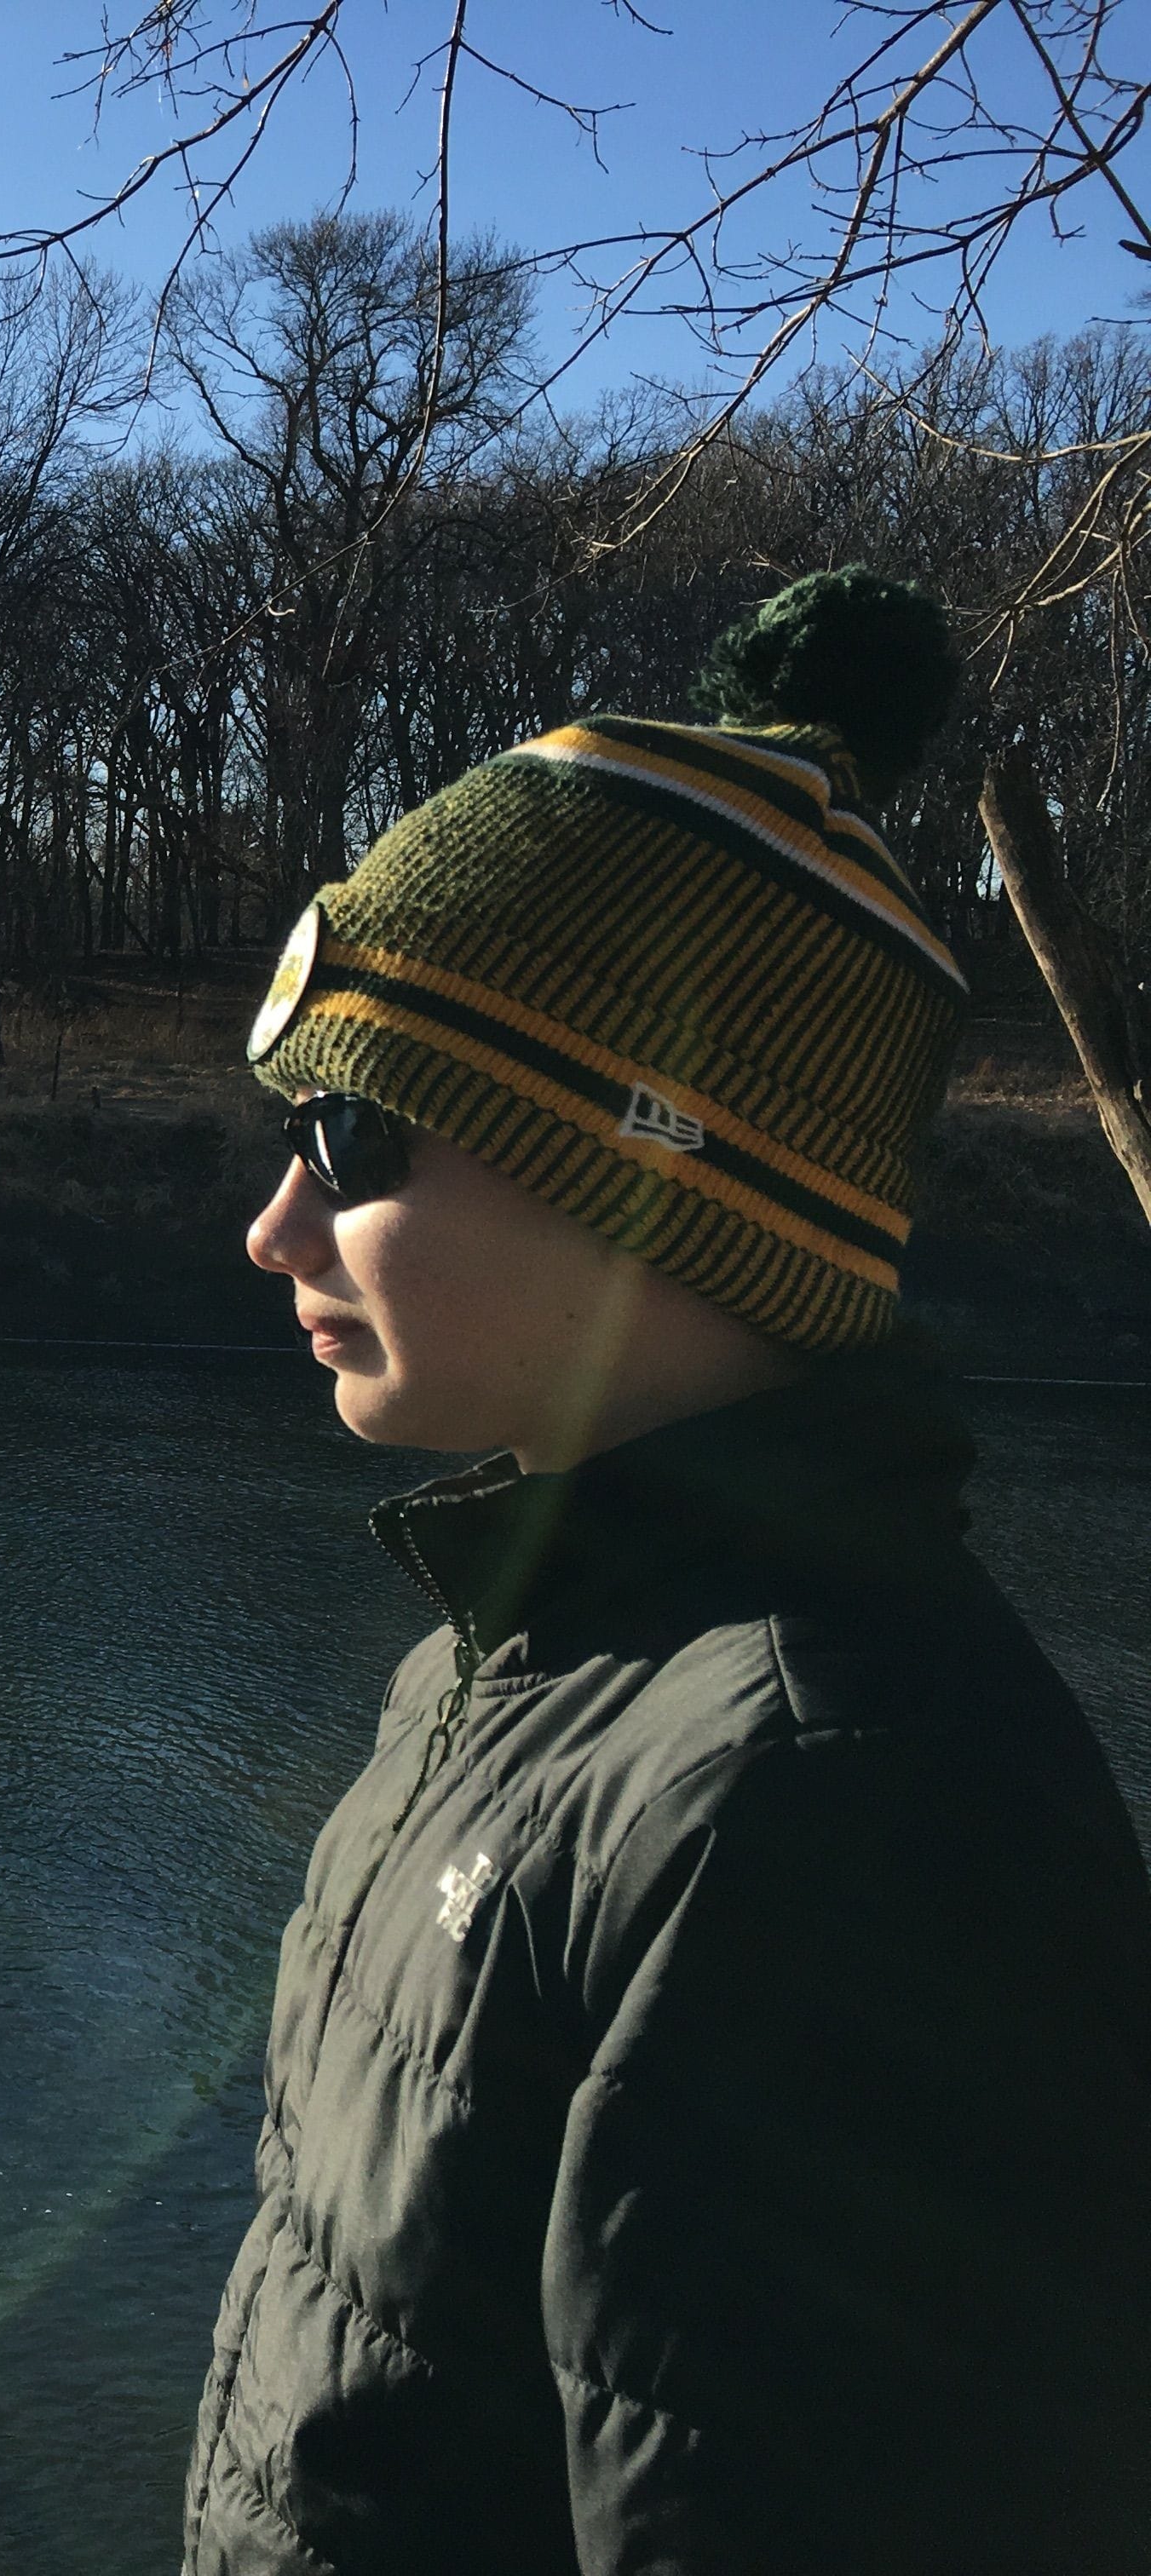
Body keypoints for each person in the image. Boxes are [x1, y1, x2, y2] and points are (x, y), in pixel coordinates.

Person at [181, 567, 1151, 2574]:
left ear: (650, 1171)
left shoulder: (846, 1806)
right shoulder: (511, 1667)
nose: (275, 1225)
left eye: (353, 1135)